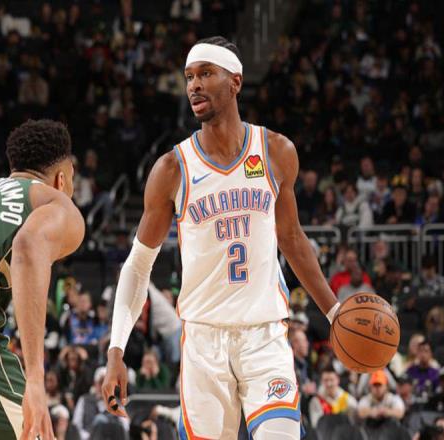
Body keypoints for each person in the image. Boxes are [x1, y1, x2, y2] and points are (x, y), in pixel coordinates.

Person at [103, 36, 339, 440]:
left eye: (206, 74)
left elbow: (292, 238)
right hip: (203, 341)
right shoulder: (172, 168)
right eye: (189, 77)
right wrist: (115, 351)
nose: (194, 85)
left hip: (265, 334)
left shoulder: (276, 151)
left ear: (235, 82)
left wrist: (334, 312)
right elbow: (138, 266)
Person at [0, 119, 85, 440]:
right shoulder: (53, 200)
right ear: (62, 178)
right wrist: (35, 378)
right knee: (35, 431)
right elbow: (29, 244)